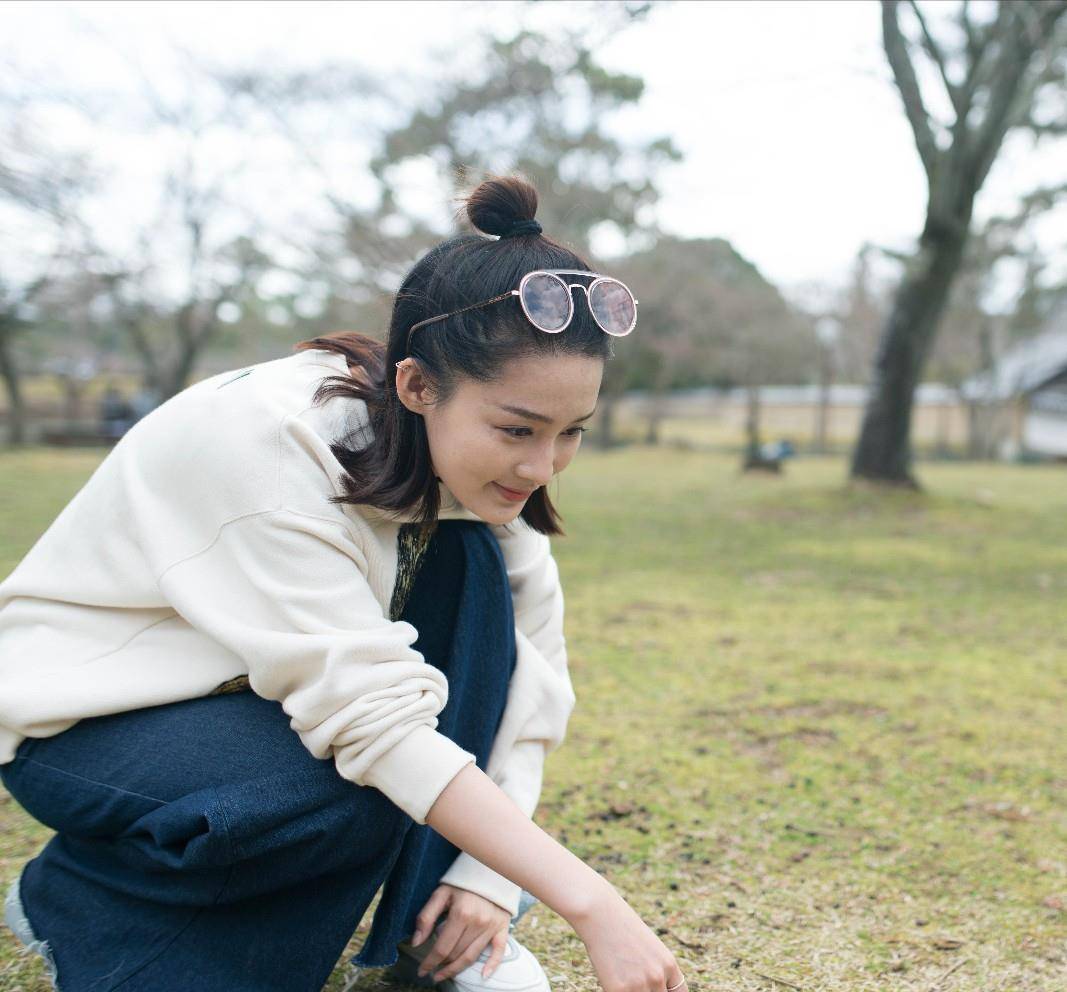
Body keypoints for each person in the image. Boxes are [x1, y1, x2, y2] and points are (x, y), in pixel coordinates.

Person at [0, 176, 686, 992]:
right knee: (343, 795)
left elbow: (530, 680)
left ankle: (431, 940)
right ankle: (76, 902)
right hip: (88, 720)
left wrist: (486, 878)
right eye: (515, 429)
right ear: (416, 386)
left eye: (570, 432)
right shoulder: (266, 444)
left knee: (473, 579)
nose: (541, 467)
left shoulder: (474, 482)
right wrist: (593, 904)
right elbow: (374, 724)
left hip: (242, 697)